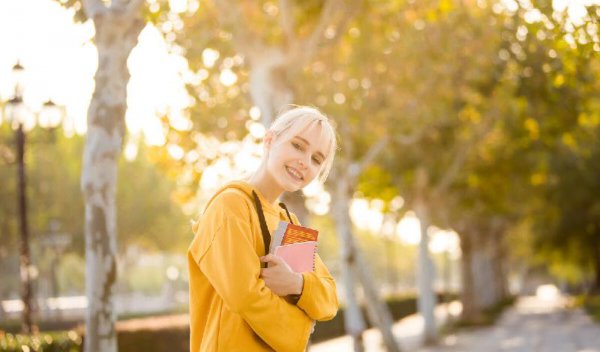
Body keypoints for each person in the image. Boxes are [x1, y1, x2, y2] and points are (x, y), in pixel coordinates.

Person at [187, 106, 339, 352]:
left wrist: (296, 284)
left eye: (316, 159)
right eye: (298, 146)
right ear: (270, 139)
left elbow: (329, 298)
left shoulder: (289, 221)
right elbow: (245, 297)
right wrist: (302, 324)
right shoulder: (230, 205)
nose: (304, 162)